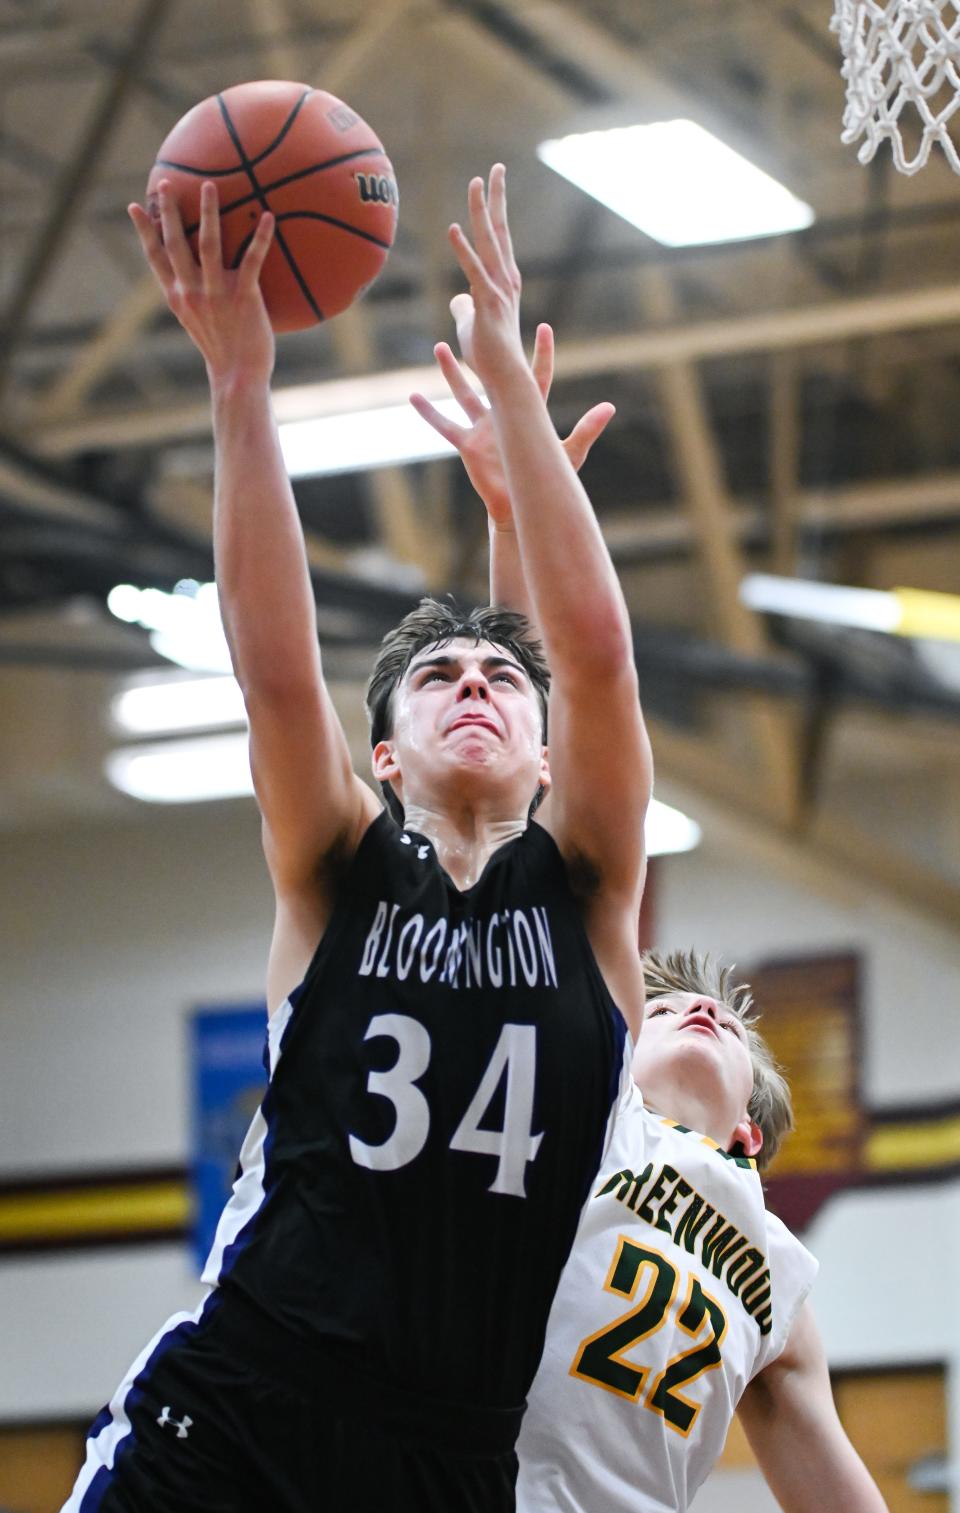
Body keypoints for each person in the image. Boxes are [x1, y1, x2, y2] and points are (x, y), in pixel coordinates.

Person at [63, 165, 651, 1513]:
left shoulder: (590, 893)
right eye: (435, 677)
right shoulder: (341, 872)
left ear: (547, 754)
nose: (476, 685)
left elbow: (598, 660)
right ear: (381, 757)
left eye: (502, 680)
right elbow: (275, 672)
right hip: (240, 1407)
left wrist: (511, 409)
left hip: (443, 1454)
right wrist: (239, 388)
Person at [417, 333, 888, 1513]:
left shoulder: (778, 1278)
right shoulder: (577, 1111)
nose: (694, 1008)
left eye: (728, 1024)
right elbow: (548, 796)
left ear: (751, 1140)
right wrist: (515, 522)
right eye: (670, 1002)